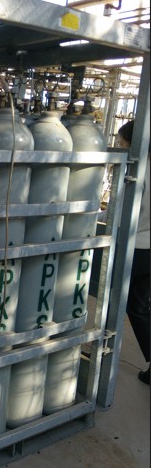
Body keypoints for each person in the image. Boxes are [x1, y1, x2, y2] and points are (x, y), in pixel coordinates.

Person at [117, 120, 150, 384]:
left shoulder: (136, 170)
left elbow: (124, 211)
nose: (120, 148)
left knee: (110, 300)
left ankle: (100, 352)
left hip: (134, 248)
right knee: (139, 307)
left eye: (122, 143)